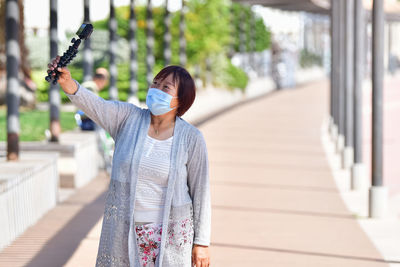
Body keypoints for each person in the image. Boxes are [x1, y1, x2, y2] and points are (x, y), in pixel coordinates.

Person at [47, 56, 211, 267]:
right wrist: (67, 82)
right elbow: (95, 105)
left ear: (180, 100)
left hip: (172, 237)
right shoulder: (127, 119)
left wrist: (202, 243)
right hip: (126, 231)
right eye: (155, 83)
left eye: (166, 87)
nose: (156, 89)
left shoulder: (191, 138)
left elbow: (201, 192)